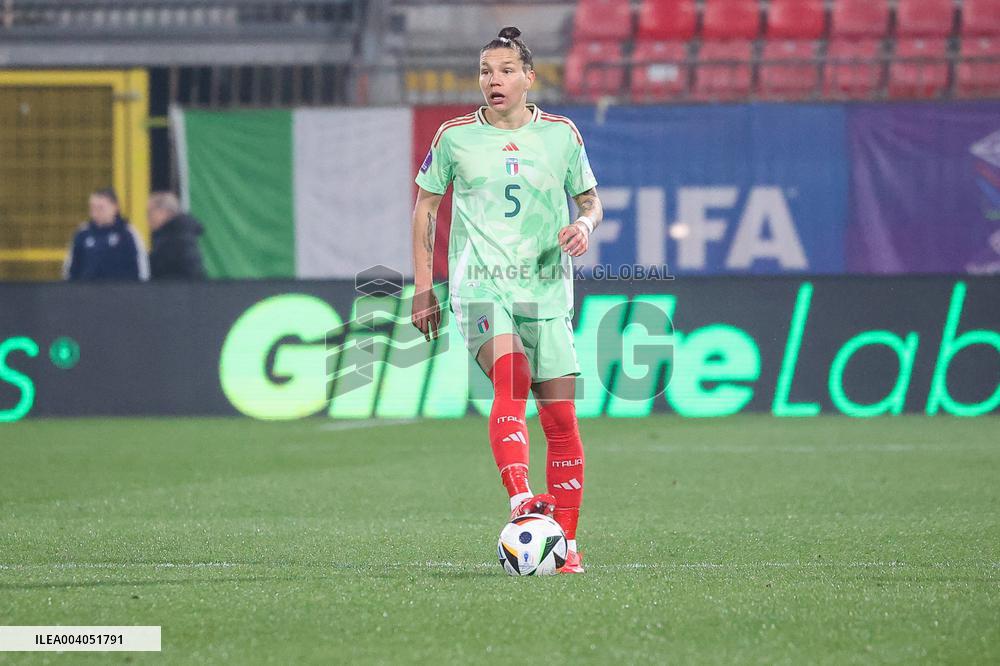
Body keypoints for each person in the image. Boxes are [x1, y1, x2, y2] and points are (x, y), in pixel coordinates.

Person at [410, 26, 604, 574]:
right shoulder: (454, 137)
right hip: (480, 285)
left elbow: (590, 202)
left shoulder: (561, 135)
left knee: (561, 418)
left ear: (528, 78)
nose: (492, 80)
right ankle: (521, 500)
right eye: (485, 71)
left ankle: (565, 547)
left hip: (545, 290)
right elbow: (426, 208)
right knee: (512, 377)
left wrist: (584, 226)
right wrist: (424, 286)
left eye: (505, 71)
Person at [63, 188, 149, 281]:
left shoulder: (128, 233)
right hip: (87, 289)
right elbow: (70, 269)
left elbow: (142, 269)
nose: (95, 213)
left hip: (122, 289)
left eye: (100, 208)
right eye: (92, 208)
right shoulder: (82, 233)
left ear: (115, 207)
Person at [146, 191, 207, 280]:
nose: (148, 218)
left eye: (150, 213)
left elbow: (191, 272)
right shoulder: (171, 235)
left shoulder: (180, 238)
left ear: (164, 212)